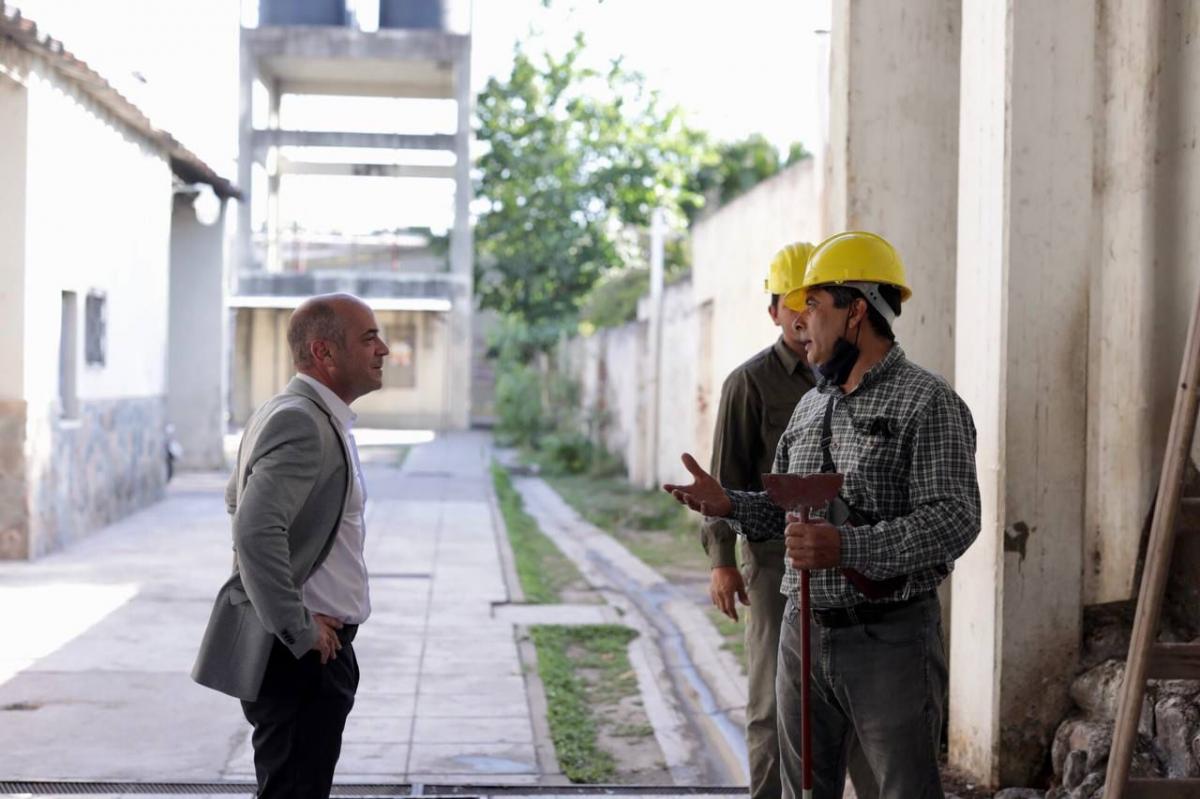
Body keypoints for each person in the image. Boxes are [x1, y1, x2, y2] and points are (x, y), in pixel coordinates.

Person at [665, 231, 980, 799]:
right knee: (803, 792)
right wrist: (733, 506)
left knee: (901, 789)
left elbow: (956, 518)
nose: (800, 317)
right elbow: (787, 512)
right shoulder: (812, 405)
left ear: (857, 310)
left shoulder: (926, 402)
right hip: (801, 633)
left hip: (889, 641)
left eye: (814, 303)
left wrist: (848, 548)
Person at [193, 293, 389, 798]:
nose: (383, 349)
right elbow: (255, 529)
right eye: (368, 338)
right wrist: (298, 624)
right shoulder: (300, 420)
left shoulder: (298, 412)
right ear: (325, 353)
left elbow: (239, 503)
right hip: (301, 657)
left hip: (311, 651)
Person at [702, 242, 816, 799]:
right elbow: (725, 481)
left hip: (844, 558)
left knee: (836, 701)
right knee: (773, 700)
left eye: (813, 301)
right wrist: (724, 562)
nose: (802, 315)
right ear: (773, 311)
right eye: (791, 303)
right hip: (772, 563)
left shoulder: (850, 378)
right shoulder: (749, 384)